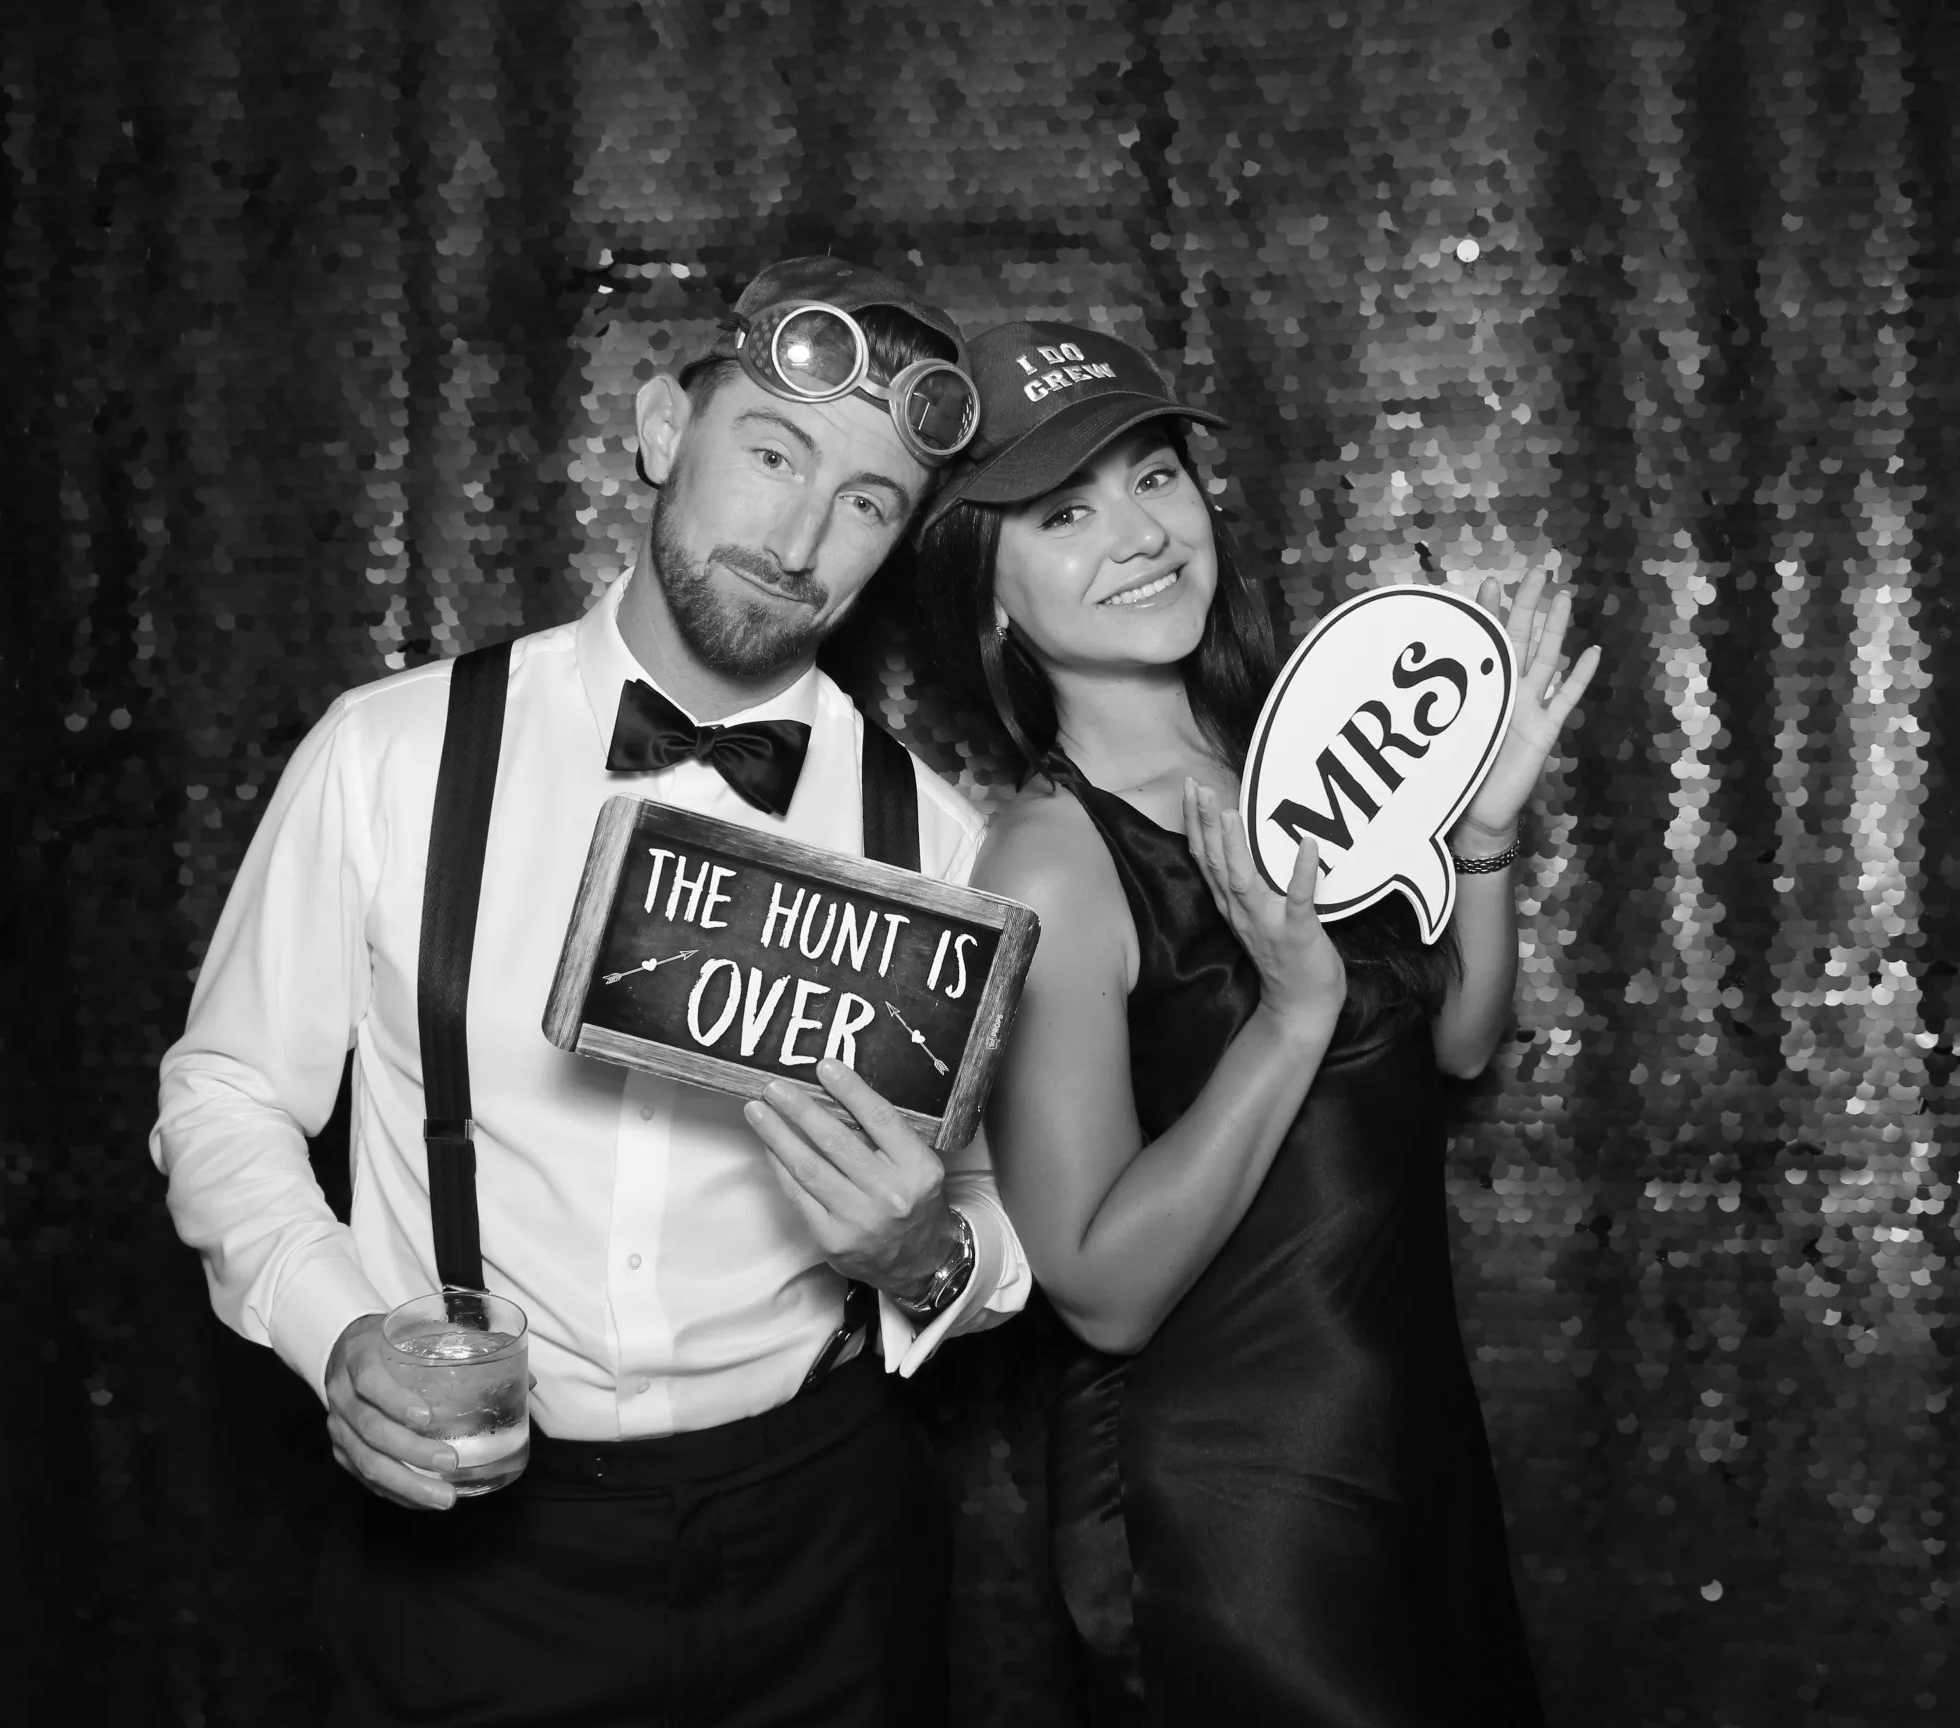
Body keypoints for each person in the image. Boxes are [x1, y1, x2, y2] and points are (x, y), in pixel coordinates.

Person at [153, 257, 1031, 1727]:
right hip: (471, 1543)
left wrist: (925, 1255)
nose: (803, 534)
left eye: (869, 503)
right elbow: (227, 1093)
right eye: (771, 452)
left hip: (822, 1542)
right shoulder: (390, 753)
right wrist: (338, 1333)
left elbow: (1004, 1224)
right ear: (655, 428)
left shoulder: (939, 839)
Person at [916, 322, 1597, 1726]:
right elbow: (1099, 1286)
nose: (1140, 532)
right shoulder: (1052, 861)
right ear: (992, 594)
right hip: (1231, 1506)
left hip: (1405, 1437)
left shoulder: (1299, 751)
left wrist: (1482, 838)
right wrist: (1290, 1015)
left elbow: (1456, 1045)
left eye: (1155, 475)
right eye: (1065, 512)